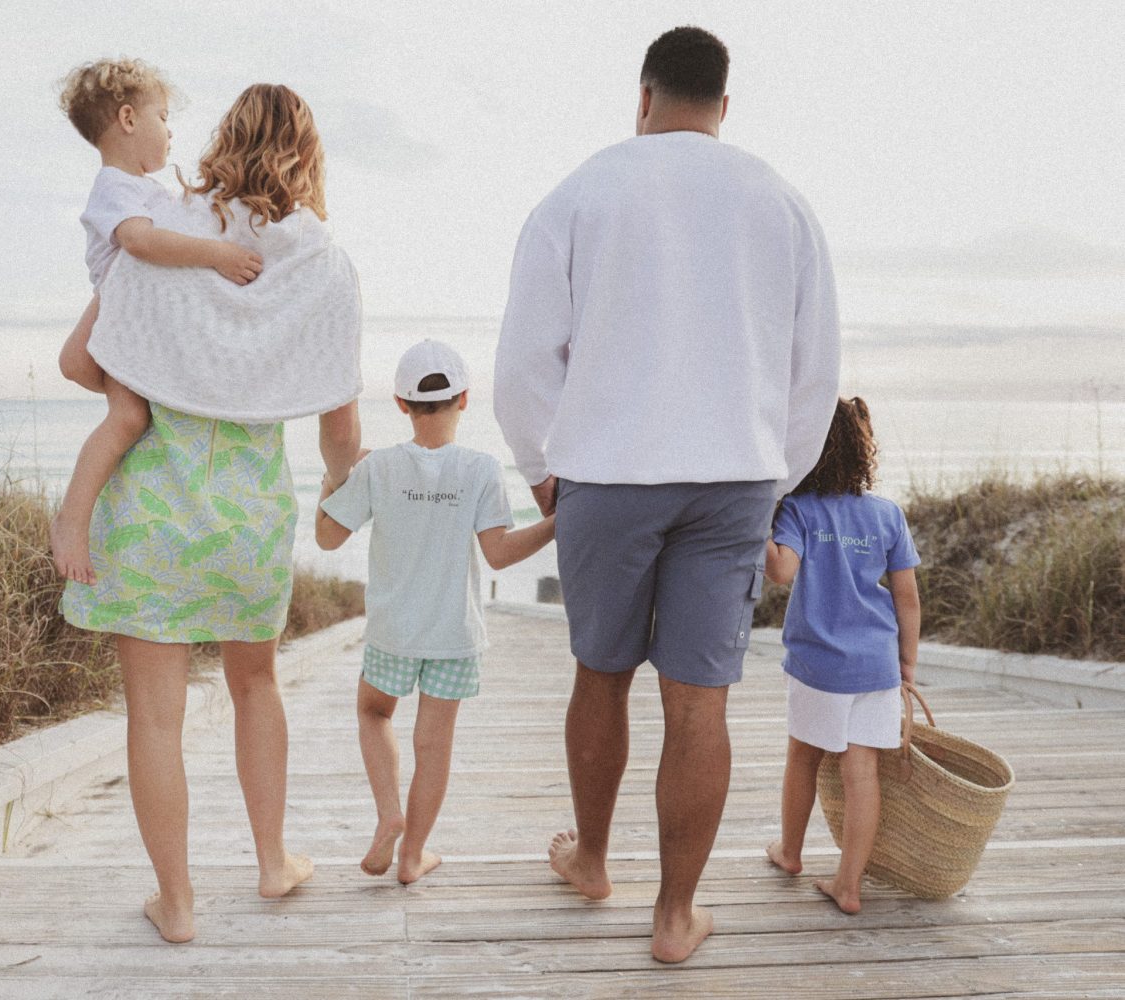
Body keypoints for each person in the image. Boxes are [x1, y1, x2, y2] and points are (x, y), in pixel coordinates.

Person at [493, 25, 841, 963]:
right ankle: (674, 916)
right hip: (734, 476)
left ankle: (594, 860)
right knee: (701, 704)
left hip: (604, 474)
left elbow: (526, 361)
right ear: (724, 107)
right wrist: (776, 483)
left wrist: (542, 471)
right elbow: (815, 374)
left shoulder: (581, 192)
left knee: (600, 676)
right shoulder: (782, 203)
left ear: (641, 98)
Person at [59, 84, 362, 945]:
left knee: (155, 715)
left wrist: (165, 372)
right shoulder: (323, 262)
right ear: (308, 155)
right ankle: (272, 863)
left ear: (224, 137)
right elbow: (340, 427)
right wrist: (347, 502)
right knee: (255, 684)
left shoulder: (166, 233)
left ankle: (179, 903)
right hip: (250, 511)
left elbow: (83, 359)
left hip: (152, 503)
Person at [315, 340, 557, 885]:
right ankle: (412, 855)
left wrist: (334, 480)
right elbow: (499, 553)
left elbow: (326, 539)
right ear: (465, 400)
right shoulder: (480, 469)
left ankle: (388, 815)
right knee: (434, 747)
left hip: (393, 630)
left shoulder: (378, 468)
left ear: (402, 404)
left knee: (374, 714)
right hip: (453, 634)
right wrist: (558, 522)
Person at [50, 57, 266, 585]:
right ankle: (71, 522)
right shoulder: (116, 187)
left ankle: (79, 365)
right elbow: (141, 242)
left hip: (125, 314)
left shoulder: (140, 188)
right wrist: (217, 255)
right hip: (123, 317)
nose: (170, 132)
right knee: (128, 419)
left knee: (88, 375)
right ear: (128, 118)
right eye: (164, 117)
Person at [763, 397, 922, 915]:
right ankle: (848, 884)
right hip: (875, 663)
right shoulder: (886, 514)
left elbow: (781, 572)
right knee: (862, 773)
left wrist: (755, 516)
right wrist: (907, 664)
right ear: (862, 452)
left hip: (817, 664)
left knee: (802, 760)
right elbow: (907, 597)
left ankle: (790, 852)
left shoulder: (798, 510)